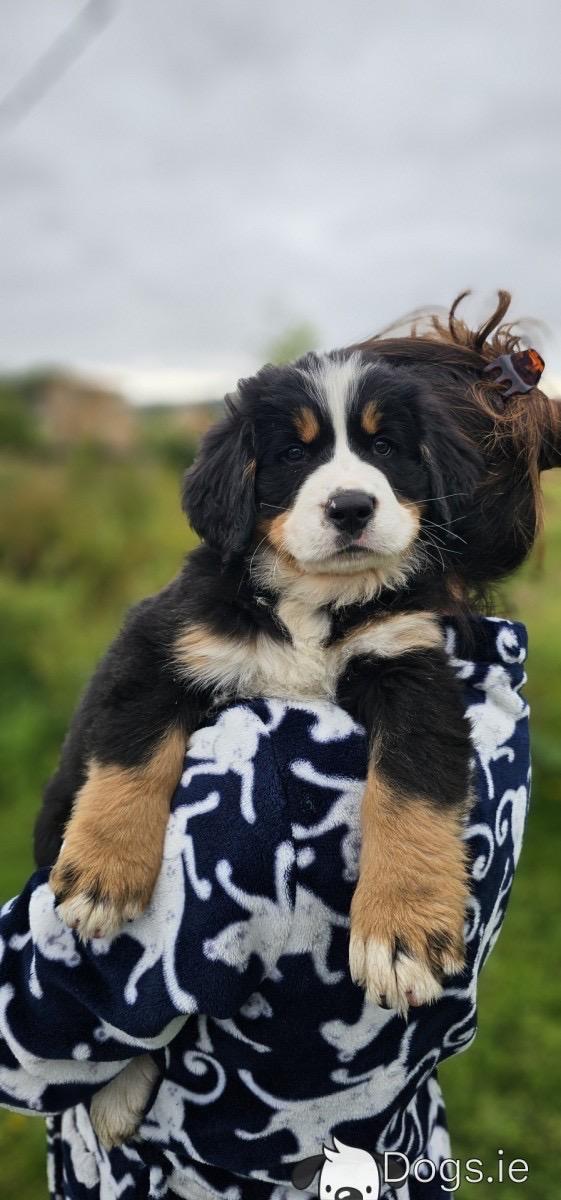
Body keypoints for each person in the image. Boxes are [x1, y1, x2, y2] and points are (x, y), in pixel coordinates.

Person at [0, 615, 529, 1200]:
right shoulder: (495, 693)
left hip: (186, 1177)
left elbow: (30, 1032)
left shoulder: (259, 769)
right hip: (394, 1148)